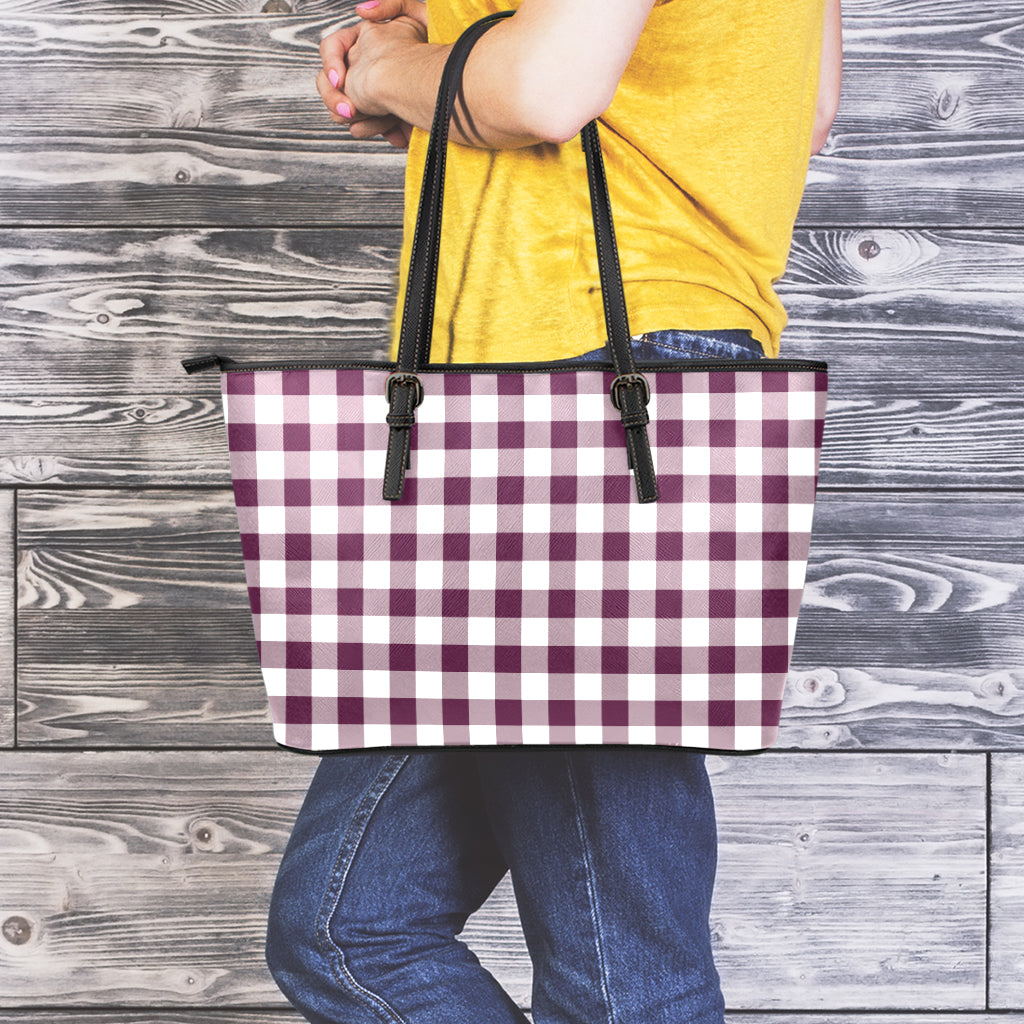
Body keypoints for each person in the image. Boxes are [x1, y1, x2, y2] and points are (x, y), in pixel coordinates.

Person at [265, 2, 842, 1022]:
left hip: (582, 385)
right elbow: (796, 106)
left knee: (623, 982)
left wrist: (392, 67)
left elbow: (542, 90)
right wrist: (438, 69)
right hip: (531, 401)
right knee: (346, 928)